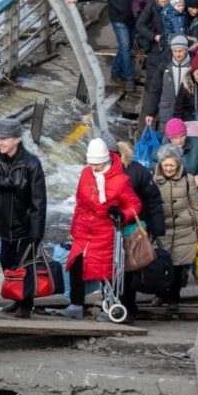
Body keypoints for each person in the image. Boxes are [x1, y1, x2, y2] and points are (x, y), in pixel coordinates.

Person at [63, 137, 141, 319]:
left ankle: (111, 306)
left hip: (106, 231)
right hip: (84, 229)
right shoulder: (85, 173)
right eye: (91, 163)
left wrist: (123, 215)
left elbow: (135, 205)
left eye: (97, 164)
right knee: (75, 265)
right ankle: (76, 305)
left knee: (108, 271)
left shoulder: (121, 180)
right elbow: (79, 203)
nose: (94, 168)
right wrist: (74, 228)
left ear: (106, 160)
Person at [0, 118, 47, 319]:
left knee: (24, 264)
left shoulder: (31, 163)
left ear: (16, 140)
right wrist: (9, 181)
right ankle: (17, 297)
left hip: (27, 223)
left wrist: (37, 233)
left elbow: (39, 201)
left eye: (4, 138)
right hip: (5, 220)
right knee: (6, 260)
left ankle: (26, 305)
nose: (0, 142)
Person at [65, 0, 144, 91]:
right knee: (125, 46)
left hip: (134, 17)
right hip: (118, 17)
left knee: (125, 47)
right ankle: (129, 78)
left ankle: (115, 73)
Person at [113, 139, 166, 323]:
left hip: (134, 226)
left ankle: (127, 305)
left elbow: (153, 199)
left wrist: (157, 227)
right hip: (112, 227)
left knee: (130, 266)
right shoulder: (103, 171)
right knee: (118, 268)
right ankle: (120, 304)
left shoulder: (138, 171)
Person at [150, 144, 198, 309]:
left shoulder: (188, 180)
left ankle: (174, 297)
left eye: (172, 165)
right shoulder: (153, 181)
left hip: (184, 230)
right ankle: (160, 294)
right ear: (160, 164)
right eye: (166, 165)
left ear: (178, 164)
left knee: (179, 267)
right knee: (161, 265)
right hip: (162, 231)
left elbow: (196, 206)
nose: (169, 168)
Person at [143, 34, 192, 135]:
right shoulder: (164, 67)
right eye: (175, 51)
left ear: (186, 50)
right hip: (167, 112)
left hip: (188, 113)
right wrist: (150, 113)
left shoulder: (193, 67)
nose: (178, 54)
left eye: (180, 51)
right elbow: (155, 90)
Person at [136, 0, 172, 87]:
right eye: (161, 2)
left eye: (165, 2)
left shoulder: (174, 7)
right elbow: (139, 25)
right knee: (153, 71)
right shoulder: (151, 7)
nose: (163, 4)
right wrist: (153, 36)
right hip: (155, 43)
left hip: (168, 42)